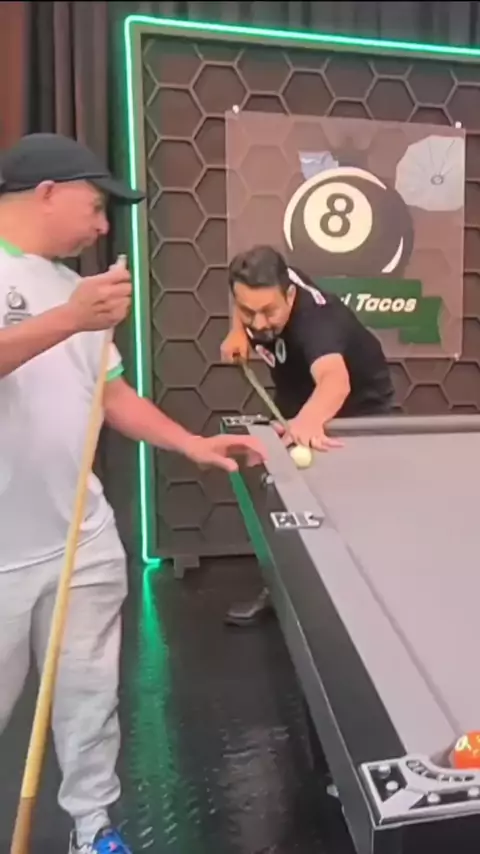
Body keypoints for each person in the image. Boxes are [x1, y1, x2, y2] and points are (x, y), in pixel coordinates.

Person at [0, 133, 267, 854]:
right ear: (47, 193)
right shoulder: (65, 299)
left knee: (90, 699)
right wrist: (68, 318)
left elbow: (109, 394)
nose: (102, 227)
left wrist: (191, 444)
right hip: (3, 554)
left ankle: (94, 827)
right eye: (95, 207)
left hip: (80, 536)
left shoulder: (74, 289)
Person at [221, 244, 394, 627]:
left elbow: (335, 381)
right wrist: (238, 332)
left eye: (269, 312)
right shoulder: (267, 284)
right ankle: (283, 588)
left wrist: (307, 422)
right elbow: (249, 302)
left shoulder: (317, 322)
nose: (259, 323)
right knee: (282, 493)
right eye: (249, 312)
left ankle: (364, 606)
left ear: (290, 296)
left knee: (352, 507)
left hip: (356, 409)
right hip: (298, 393)